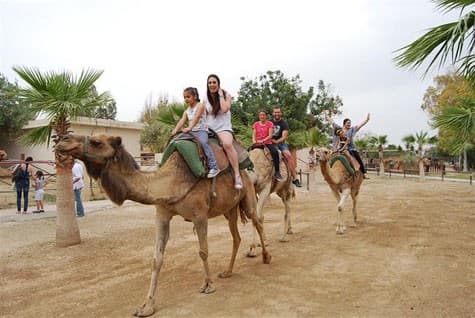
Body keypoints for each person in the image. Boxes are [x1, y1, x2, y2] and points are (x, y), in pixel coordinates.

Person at [204, 74, 243, 189]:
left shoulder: (227, 95)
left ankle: (237, 175)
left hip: (223, 128)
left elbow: (225, 109)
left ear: (218, 83)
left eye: (214, 82)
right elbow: (204, 113)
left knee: (227, 144)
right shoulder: (205, 98)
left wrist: (220, 94)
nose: (212, 84)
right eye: (210, 82)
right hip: (209, 128)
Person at [171, 87, 219, 178]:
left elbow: (196, 118)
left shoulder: (200, 106)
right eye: (184, 97)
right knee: (175, 141)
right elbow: (181, 121)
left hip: (201, 130)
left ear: (195, 96)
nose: (186, 99)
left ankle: (214, 166)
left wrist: (189, 127)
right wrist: (175, 130)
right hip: (191, 132)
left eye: (188, 97)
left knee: (203, 143)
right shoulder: (187, 111)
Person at [325, 111, 370, 178]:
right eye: (348, 123)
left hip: (351, 148)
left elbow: (360, 125)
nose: (349, 124)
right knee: (331, 156)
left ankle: (363, 173)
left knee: (358, 158)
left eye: (350, 123)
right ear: (344, 124)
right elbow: (332, 122)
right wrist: (326, 114)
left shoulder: (352, 129)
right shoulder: (339, 129)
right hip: (340, 148)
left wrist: (366, 120)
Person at [271, 106, 302, 187]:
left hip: (280, 143)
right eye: (275, 112)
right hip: (269, 142)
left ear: (280, 113)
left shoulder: (284, 123)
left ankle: (295, 178)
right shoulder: (269, 122)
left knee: (288, 155)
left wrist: (276, 142)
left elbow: (284, 136)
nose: (276, 114)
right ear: (273, 113)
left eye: (278, 112)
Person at [252, 110, 283, 181]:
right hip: (257, 143)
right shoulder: (256, 124)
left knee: (275, 152)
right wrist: (254, 141)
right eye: (260, 115)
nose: (262, 116)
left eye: (263, 115)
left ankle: (277, 172)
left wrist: (263, 140)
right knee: (247, 152)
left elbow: (270, 135)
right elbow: (253, 135)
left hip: (267, 143)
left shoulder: (270, 124)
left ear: (266, 116)